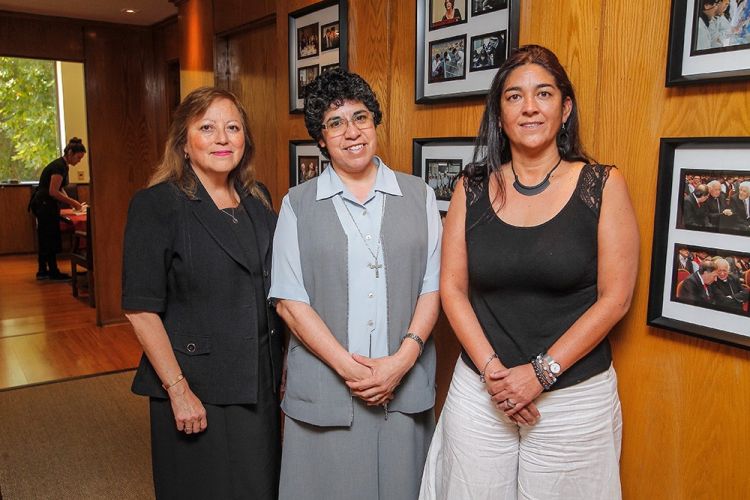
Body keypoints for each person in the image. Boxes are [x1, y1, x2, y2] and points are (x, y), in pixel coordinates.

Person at [420, 45, 639, 499]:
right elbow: (453, 289)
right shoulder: (470, 188)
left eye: (544, 94)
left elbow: (615, 299)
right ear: (500, 115)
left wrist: (540, 373)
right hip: (481, 393)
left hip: (572, 398)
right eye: (514, 96)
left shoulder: (602, 184)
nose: (530, 107)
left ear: (565, 108)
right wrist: (493, 373)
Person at [270, 69, 442, 500]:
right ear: (321, 139)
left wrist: (401, 362)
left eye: (360, 117)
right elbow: (290, 301)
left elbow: (433, 287)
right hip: (327, 392)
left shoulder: (419, 195)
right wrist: (353, 372)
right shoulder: (297, 204)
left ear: (374, 122)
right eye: (336, 123)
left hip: (404, 386)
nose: (352, 132)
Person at [121, 87, 283, 499]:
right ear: (184, 142)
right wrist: (178, 390)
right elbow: (140, 310)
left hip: (258, 385)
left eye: (233, 128)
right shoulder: (157, 205)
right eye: (207, 128)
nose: (222, 138)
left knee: (259, 489)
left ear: (245, 140)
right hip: (195, 389)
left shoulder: (258, 198)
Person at [29, 137, 87, 280]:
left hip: (45, 204)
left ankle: (44, 271)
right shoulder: (59, 166)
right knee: (49, 237)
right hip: (44, 204)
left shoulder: (63, 165)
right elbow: (53, 191)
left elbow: (60, 188)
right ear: (70, 153)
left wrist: (72, 204)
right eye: (78, 158)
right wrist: (73, 202)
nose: (79, 161)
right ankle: (51, 271)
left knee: (47, 236)